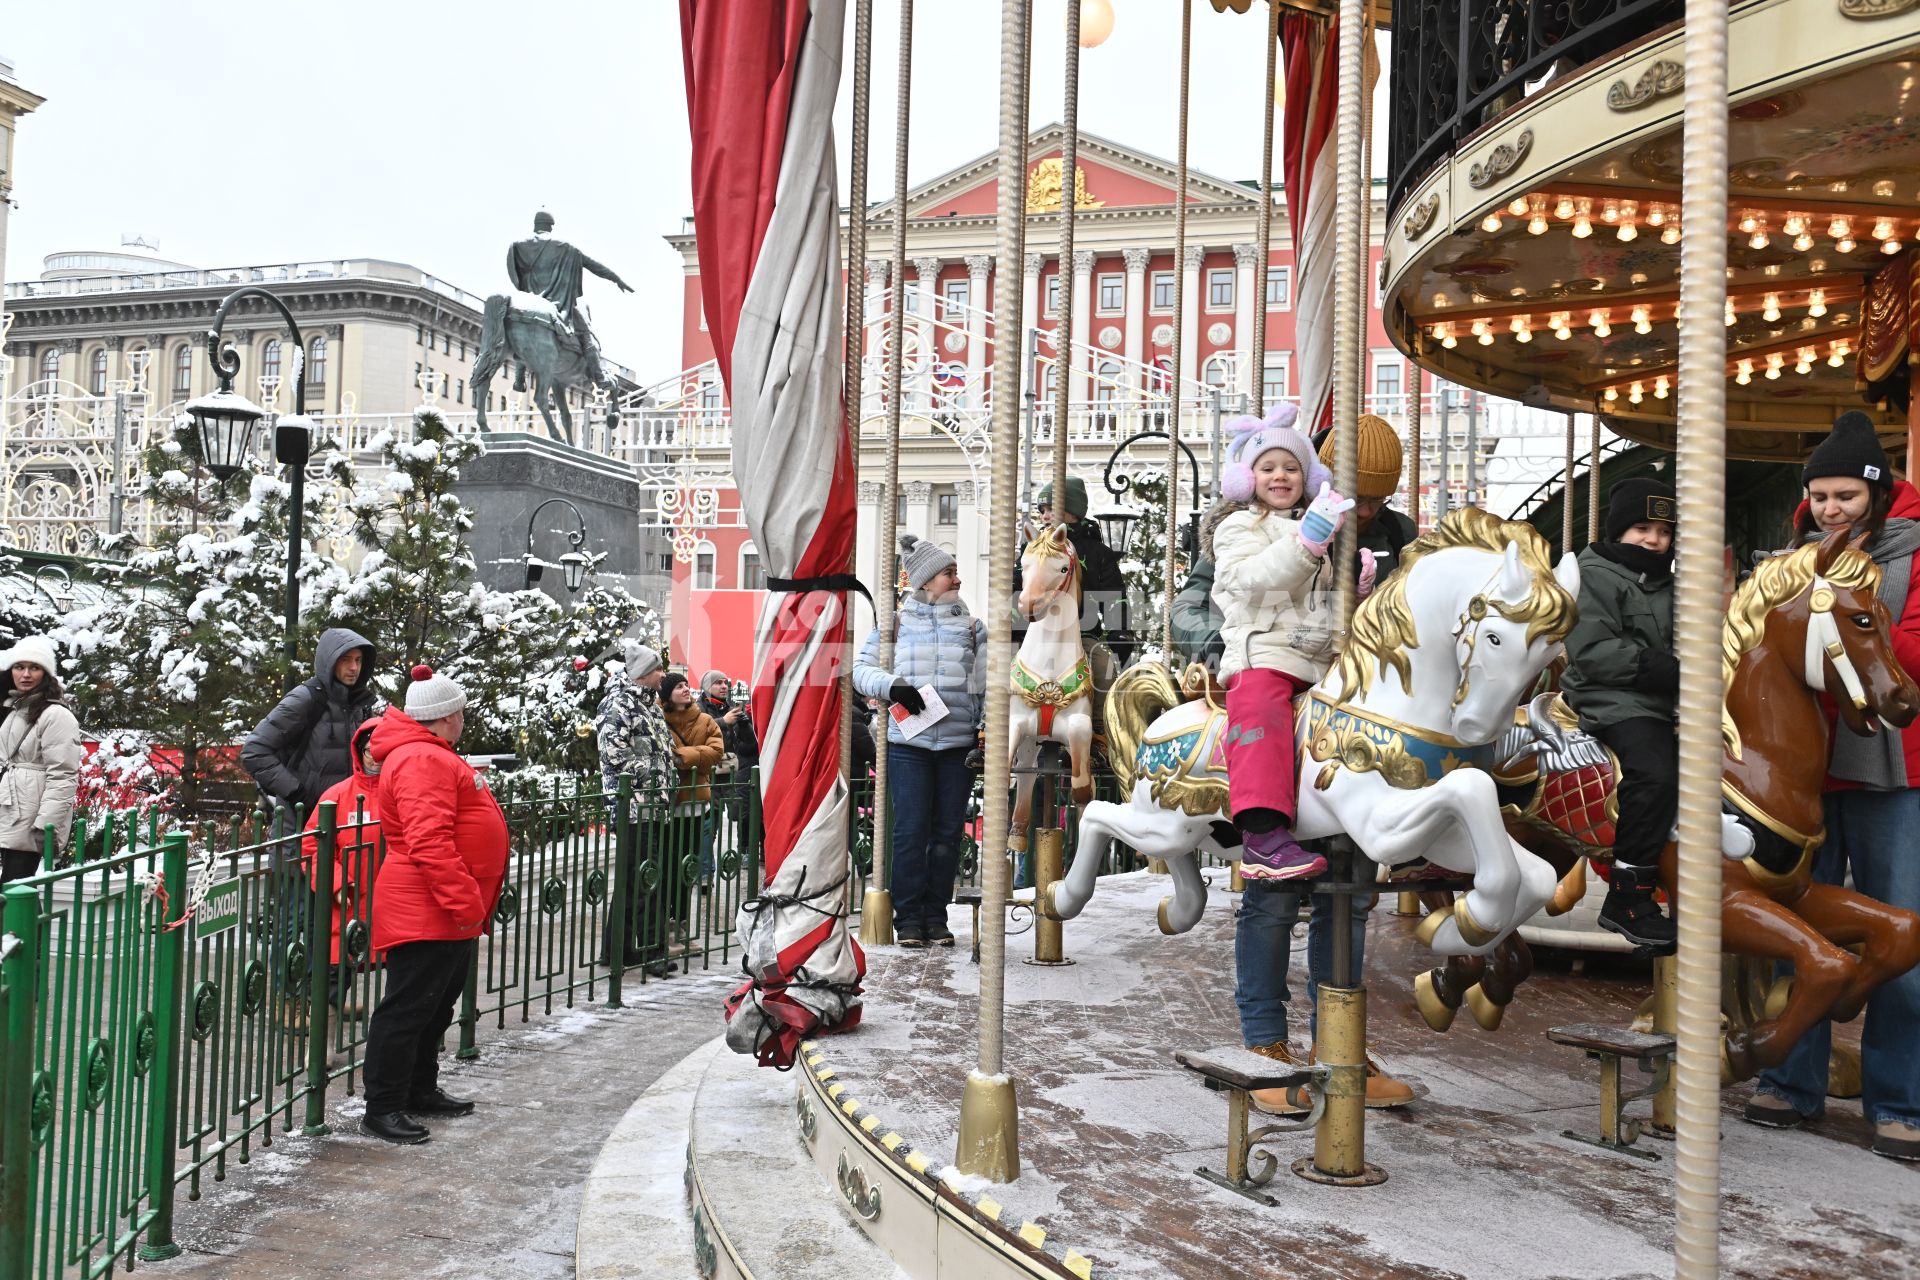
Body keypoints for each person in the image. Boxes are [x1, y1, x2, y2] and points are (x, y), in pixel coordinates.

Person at [1746, 412, 1920, 1162]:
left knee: (1904, 930)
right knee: (1796, 925)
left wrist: (1847, 625)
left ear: (1877, 493)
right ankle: (1789, 1081)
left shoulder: (1914, 552)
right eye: (1820, 496)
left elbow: (1907, 650)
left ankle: (1899, 1099)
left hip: (1892, 773)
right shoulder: (1796, 560)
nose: (1831, 509)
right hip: (1807, 771)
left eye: (1845, 495)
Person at [1207, 405, 1373, 882]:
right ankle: (1261, 832)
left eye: (1292, 467)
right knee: (1260, 711)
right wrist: (1308, 540)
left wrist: (1356, 594)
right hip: (1265, 653)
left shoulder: (1319, 530)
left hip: (1321, 663)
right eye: (1268, 467)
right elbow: (1257, 582)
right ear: (1247, 478)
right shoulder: (1238, 528)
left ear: (1309, 477)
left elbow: (1318, 604)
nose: (1281, 475)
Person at [360, 666, 509, 1145]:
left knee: (434, 1006)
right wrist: (466, 902)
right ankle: (383, 1107)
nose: (465, 718)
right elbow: (429, 842)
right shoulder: (422, 759)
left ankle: (418, 1088)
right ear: (446, 716)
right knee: (407, 1010)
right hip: (427, 907)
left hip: (441, 908)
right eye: (461, 711)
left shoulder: (429, 754)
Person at [1173, 414, 1416, 679]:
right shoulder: (1259, 521)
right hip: (1265, 662)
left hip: (1353, 672)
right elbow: (1190, 605)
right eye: (1356, 499)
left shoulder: (1397, 534)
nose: (1367, 511)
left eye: (1379, 499)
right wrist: (1216, 644)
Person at [1560, 477, 1680, 953]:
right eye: (1642, 528)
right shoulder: (1596, 575)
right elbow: (1590, 651)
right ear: (1618, 531)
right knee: (1654, 772)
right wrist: (1664, 668)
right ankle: (1628, 893)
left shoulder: (1673, 582)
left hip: (1666, 697)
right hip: (1613, 698)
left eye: (1664, 531)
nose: (1654, 540)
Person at [853, 532, 986, 948]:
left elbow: (987, 686)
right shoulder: (894, 623)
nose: (957, 579)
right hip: (907, 745)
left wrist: (984, 732)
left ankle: (936, 915)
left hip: (957, 744)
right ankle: (908, 917)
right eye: (949, 573)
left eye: (955, 572)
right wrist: (894, 686)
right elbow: (859, 669)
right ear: (926, 581)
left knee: (947, 833)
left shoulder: (972, 626)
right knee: (910, 831)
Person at [595, 645, 680, 974]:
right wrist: (652, 778)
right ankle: (649, 951)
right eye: (658, 669)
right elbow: (615, 754)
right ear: (642, 672)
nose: (663, 674)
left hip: (653, 804)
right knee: (645, 879)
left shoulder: (650, 706)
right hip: (633, 805)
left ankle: (618, 950)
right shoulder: (619, 703)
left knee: (636, 878)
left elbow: (660, 749)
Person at [240, 628, 378, 820]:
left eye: (358, 660)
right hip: (300, 823)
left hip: (346, 817)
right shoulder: (306, 698)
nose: (354, 667)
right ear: (330, 661)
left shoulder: (359, 704)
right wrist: (298, 794)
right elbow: (254, 750)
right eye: (345, 659)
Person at [301, 720, 384, 1009]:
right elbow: (313, 846)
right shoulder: (337, 795)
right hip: (349, 904)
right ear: (359, 752)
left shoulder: (403, 791)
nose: (374, 756)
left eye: (381, 749)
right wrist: (337, 882)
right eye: (368, 749)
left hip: (393, 902)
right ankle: (325, 1030)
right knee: (336, 971)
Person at [0, 636, 81, 884]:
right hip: (12, 811)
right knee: (17, 890)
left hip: (31, 816)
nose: (25, 674)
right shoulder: (16, 709)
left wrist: (46, 826)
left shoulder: (55, 714)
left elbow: (63, 775)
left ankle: (32, 926)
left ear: (46, 674)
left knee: (15, 890)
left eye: (34, 668)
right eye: (19, 667)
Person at [658, 672, 725, 949]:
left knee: (688, 867)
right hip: (670, 806)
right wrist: (695, 757)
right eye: (678, 686)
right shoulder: (659, 720)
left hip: (697, 804)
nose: (685, 689)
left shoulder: (705, 720)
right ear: (667, 694)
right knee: (668, 867)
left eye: (686, 685)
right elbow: (663, 756)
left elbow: (716, 752)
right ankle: (666, 925)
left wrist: (682, 756)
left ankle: (682, 923)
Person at [698, 669, 759, 888]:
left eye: (725, 682)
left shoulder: (731, 707)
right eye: (718, 683)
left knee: (742, 814)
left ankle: (745, 854)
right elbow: (697, 732)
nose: (723, 686)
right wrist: (723, 721)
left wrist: (743, 723)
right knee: (709, 824)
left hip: (731, 772)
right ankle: (705, 874)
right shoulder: (699, 707)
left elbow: (750, 744)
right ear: (707, 686)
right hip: (708, 773)